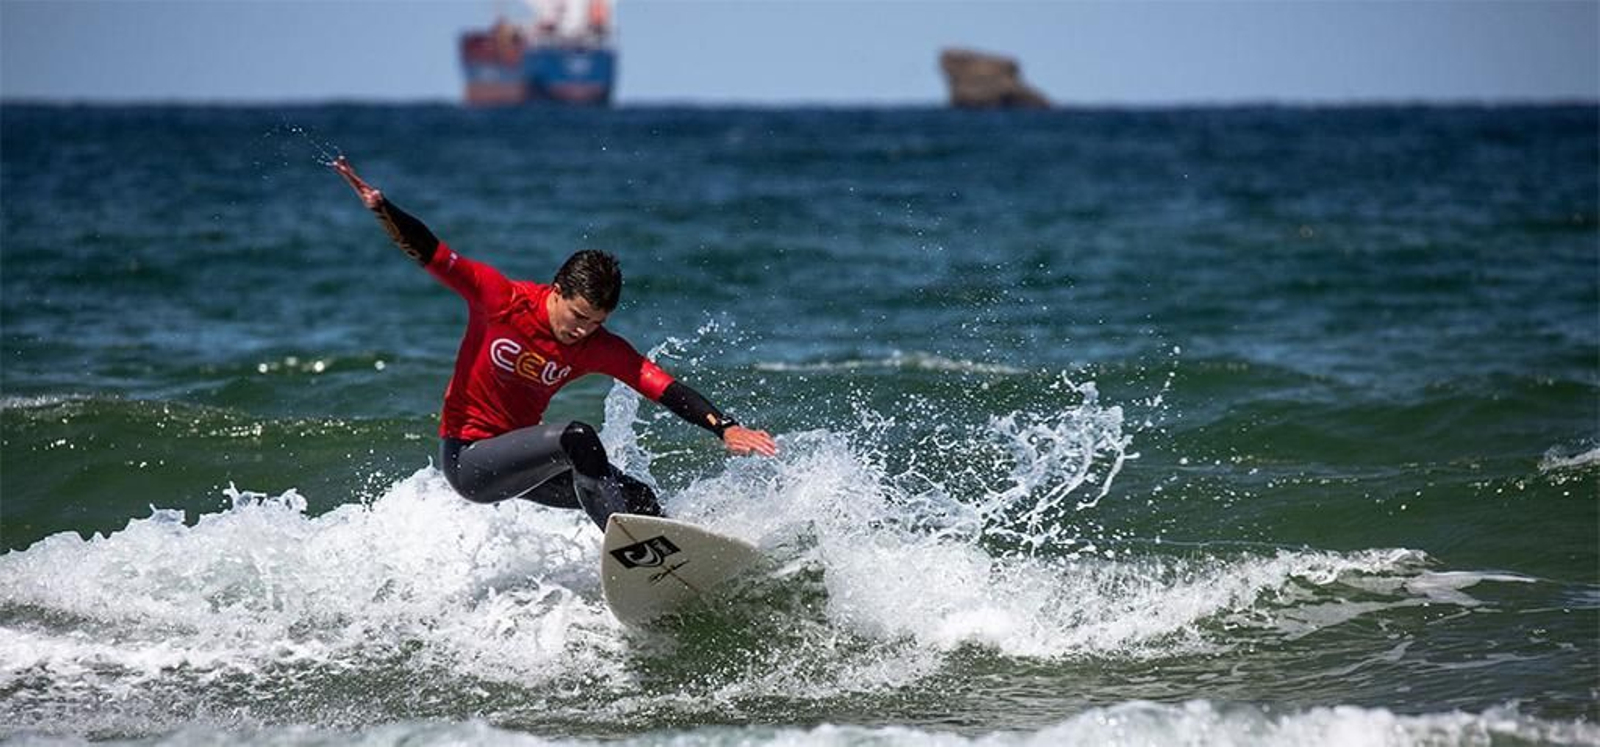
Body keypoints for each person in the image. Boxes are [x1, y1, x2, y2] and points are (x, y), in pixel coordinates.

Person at [332, 156, 777, 529]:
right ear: (556, 290)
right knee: (578, 437)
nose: (583, 330)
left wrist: (725, 426)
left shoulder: (596, 345)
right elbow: (433, 252)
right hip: (470, 460)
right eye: (579, 316)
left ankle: (664, 571)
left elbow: (661, 386)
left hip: (528, 467)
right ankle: (636, 554)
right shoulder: (501, 300)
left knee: (637, 497)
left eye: (596, 322)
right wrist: (381, 207)